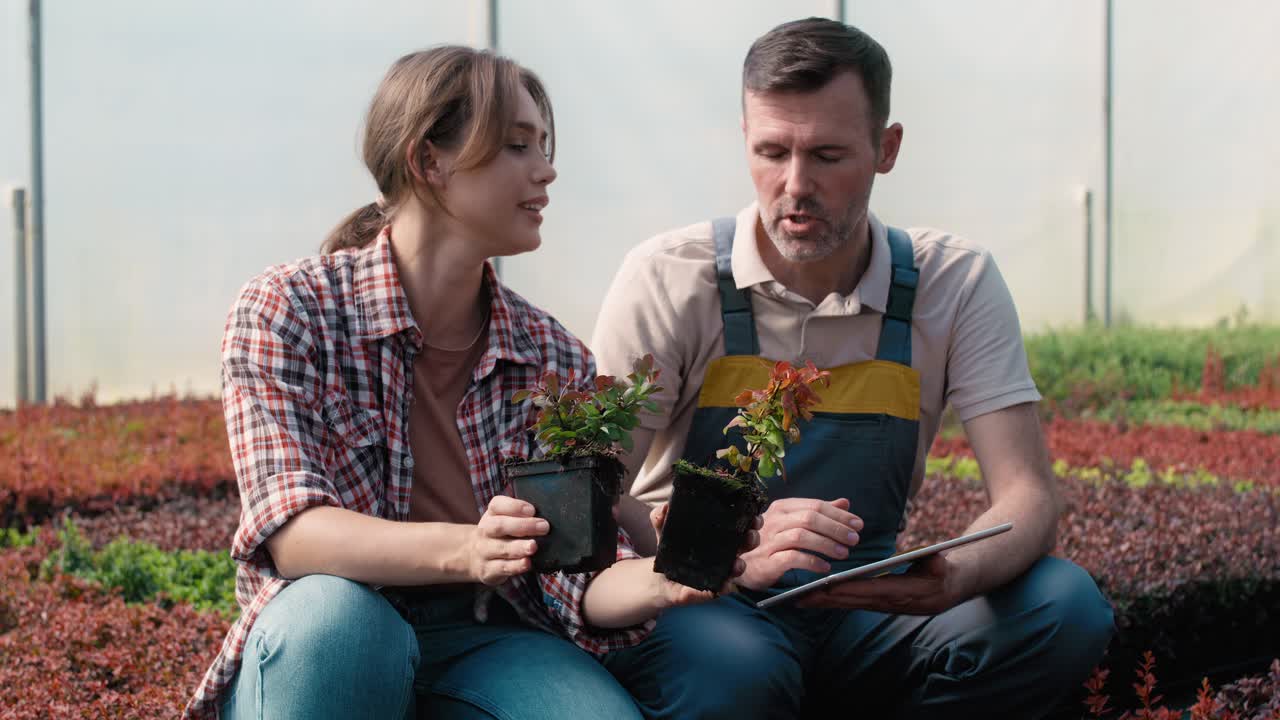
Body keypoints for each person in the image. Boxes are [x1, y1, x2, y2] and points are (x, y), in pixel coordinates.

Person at [184, 46, 748, 720]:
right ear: (430, 162)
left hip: (488, 635)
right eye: (517, 145)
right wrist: (469, 548)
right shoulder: (289, 311)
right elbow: (295, 534)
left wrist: (664, 576)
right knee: (339, 624)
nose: (547, 169)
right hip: (337, 623)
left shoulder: (551, 358)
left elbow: (574, 573)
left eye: (543, 145)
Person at [593, 17, 1115, 720]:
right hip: (705, 598)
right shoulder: (669, 277)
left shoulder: (953, 282)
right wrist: (731, 544)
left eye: (827, 155)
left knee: (1064, 607)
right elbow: (597, 493)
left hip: (867, 605)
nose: (795, 184)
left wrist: (955, 575)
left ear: (886, 148)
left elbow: (1028, 497)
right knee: (737, 674)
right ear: (744, 139)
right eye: (771, 152)